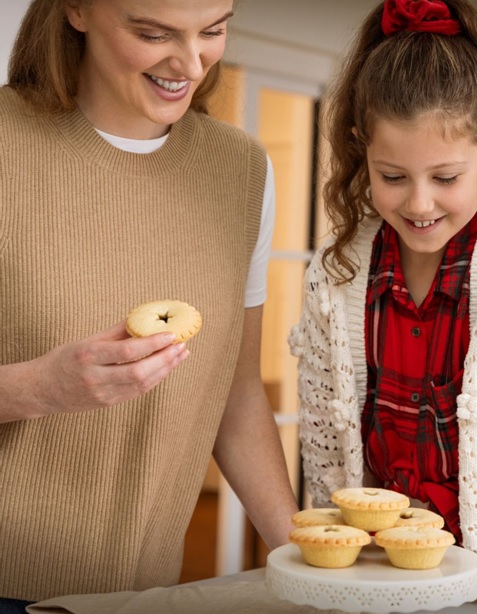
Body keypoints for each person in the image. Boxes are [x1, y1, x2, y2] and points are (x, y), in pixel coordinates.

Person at [288, 0, 477, 612]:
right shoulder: (338, 268)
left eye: (447, 177)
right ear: (360, 149)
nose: (420, 203)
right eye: (393, 176)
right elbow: (325, 431)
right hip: (378, 568)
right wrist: (333, 536)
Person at [0, 0, 298, 610]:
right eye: (153, 33)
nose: (191, 63)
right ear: (77, 11)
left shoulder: (241, 170)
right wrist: (35, 388)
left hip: (141, 595)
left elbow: (234, 391)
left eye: (213, 30)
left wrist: (303, 555)